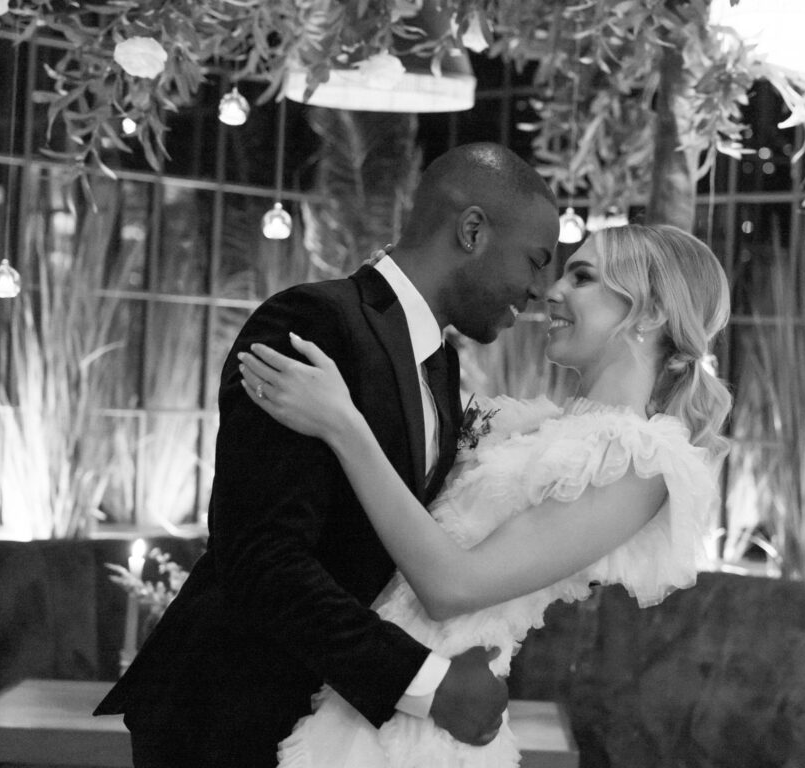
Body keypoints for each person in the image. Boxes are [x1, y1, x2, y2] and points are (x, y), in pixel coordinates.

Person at [93, 142, 562, 768]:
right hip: (230, 716)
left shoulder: (440, 363)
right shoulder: (313, 322)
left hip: (329, 720)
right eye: (536, 260)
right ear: (472, 230)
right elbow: (261, 557)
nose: (538, 290)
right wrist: (423, 684)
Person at [238, 223, 733, 768]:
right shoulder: (531, 425)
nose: (552, 291)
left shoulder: (637, 461)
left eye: (583, 277)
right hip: (363, 679)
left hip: (423, 726)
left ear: (650, 313)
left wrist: (342, 426)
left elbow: (451, 587)